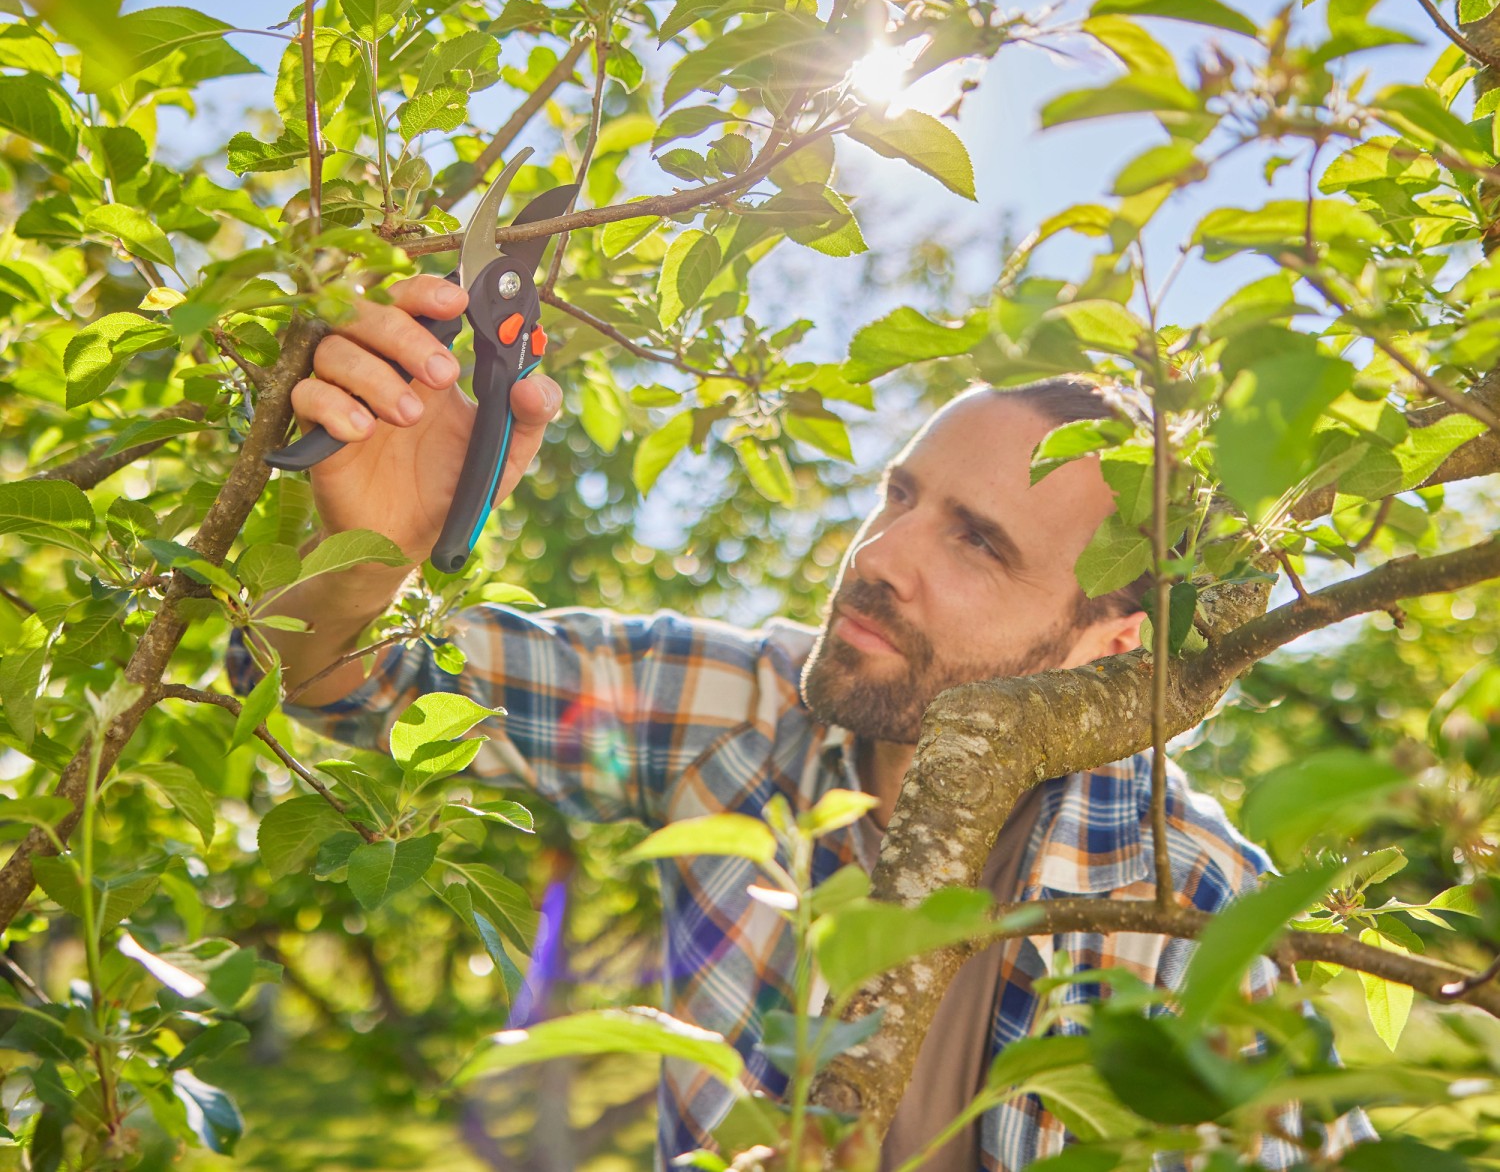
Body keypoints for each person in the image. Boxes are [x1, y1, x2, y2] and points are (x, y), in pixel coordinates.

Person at [229, 273, 1353, 1171]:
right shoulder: (741, 713)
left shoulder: (1195, 907)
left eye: (979, 543)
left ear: (1111, 648)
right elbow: (341, 680)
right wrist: (371, 550)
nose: (879, 558)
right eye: (898, 497)